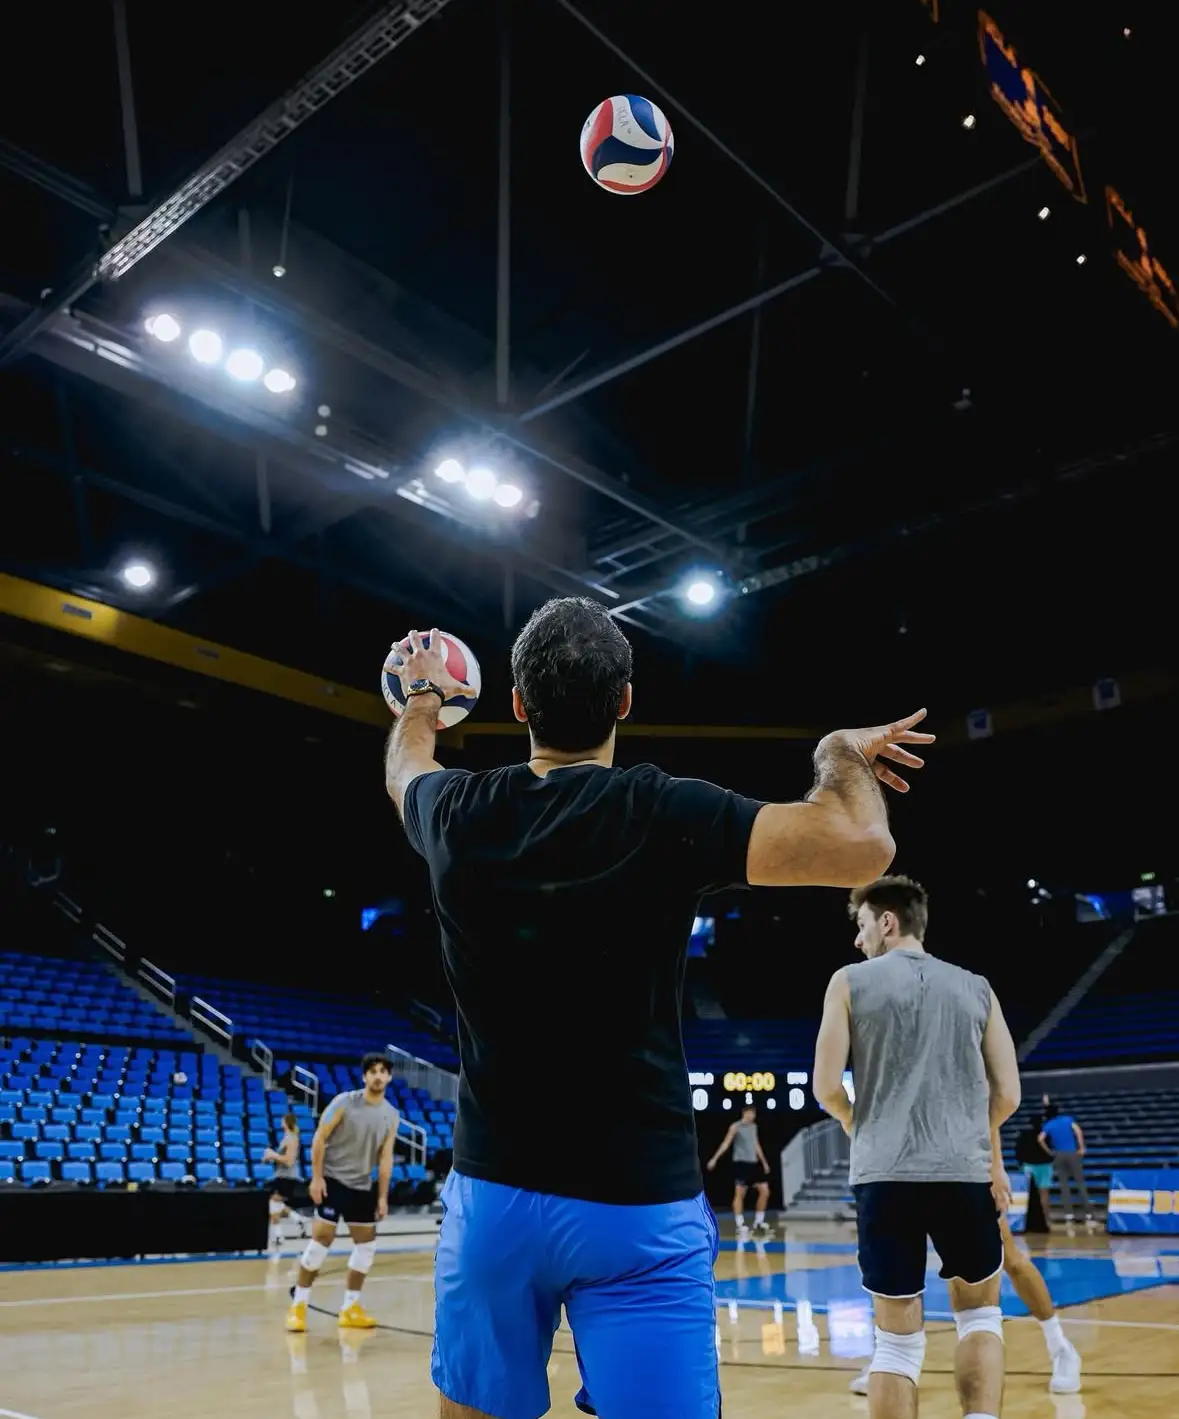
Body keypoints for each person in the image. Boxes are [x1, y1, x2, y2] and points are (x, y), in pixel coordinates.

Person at [383, 600, 934, 1419]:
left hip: (494, 1193)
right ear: (625, 703)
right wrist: (834, 754)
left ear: (519, 705)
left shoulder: (458, 813)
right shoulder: (666, 811)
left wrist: (420, 703)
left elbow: (404, 770)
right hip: (638, 1201)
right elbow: (863, 844)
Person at [813, 875, 1020, 1419]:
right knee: (979, 1319)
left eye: (861, 927)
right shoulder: (977, 987)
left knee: (897, 1343)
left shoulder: (848, 982)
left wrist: (864, 1127)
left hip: (883, 1176)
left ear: (887, 921)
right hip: (962, 1172)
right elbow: (1009, 1094)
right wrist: (970, 1132)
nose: (858, 941)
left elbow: (826, 1088)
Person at [849, 1204, 1083, 1395]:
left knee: (1009, 1261)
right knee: (895, 1270)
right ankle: (890, 1363)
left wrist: (995, 1166)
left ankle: (1061, 1348)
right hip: (895, 1174)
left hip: (957, 1171)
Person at [285, 1054, 399, 1333]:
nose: (377, 1076)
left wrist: (382, 1196)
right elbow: (320, 1138)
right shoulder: (344, 1102)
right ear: (364, 1077)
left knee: (366, 1247)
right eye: (372, 1071)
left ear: (389, 1078)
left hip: (362, 1187)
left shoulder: (391, 1115)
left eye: (383, 1072)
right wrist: (316, 1177)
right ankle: (298, 1306)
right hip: (332, 1181)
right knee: (320, 1242)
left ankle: (350, 1307)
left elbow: (385, 1159)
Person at [706, 1104, 772, 1239]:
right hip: (740, 1164)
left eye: (753, 1114)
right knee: (740, 1193)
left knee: (765, 1191)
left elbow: (756, 1144)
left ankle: (758, 1222)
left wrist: (764, 1162)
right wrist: (714, 1158)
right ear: (744, 1113)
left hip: (753, 1164)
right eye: (749, 1113)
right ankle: (740, 1225)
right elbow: (726, 1143)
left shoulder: (754, 1127)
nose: (751, 1116)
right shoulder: (735, 1126)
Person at [1038, 1107, 1094, 1226]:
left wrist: (1049, 1152)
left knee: (1064, 1185)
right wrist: (1081, 1147)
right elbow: (1078, 1131)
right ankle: (1088, 1214)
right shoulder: (1067, 1119)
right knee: (1080, 1182)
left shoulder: (1048, 1124)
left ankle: (1069, 1215)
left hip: (1058, 1155)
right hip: (1072, 1153)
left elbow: (1040, 1139)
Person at [262, 1111, 304, 1250]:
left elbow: (289, 1161)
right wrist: (270, 1157)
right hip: (281, 1176)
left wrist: (273, 1155)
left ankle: (279, 1236)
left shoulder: (292, 1138)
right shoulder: (286, 1137)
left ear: (286, 1122)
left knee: (273, 1203)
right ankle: (297, 1219)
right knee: (275, 1203)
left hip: (288, 1176)